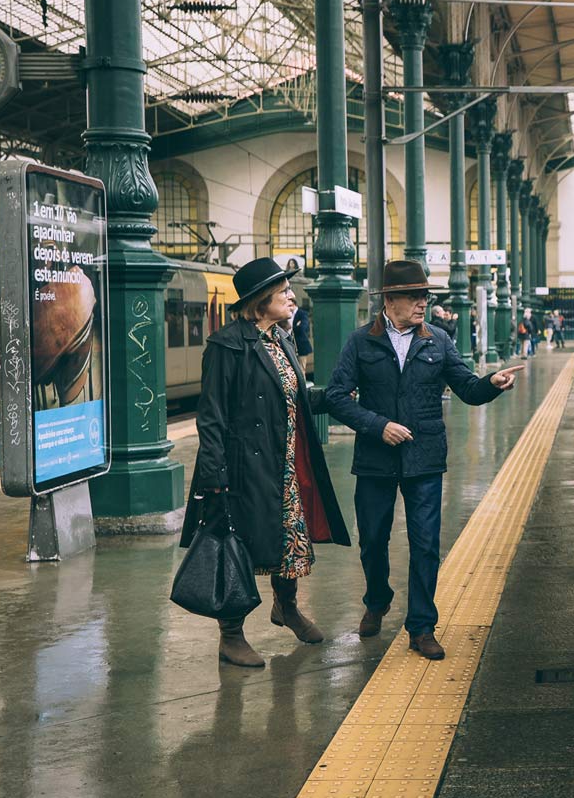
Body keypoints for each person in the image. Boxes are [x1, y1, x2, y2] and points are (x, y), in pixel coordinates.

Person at [325, 260, 521, 660]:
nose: (422, 303)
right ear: (390, 299)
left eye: (425, 296)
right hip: (376, 459)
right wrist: (378, 425)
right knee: (373, 540)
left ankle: (421, 626)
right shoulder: (360, 342)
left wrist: (492, 383)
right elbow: (335, 397)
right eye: (414, 296)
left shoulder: (439, 341)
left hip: (425, 458)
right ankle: (377, 598)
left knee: (426, 544)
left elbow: (467, 388)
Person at [181, 257, 351, 668]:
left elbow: (295, 398)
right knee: (235, 544)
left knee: (290, 540)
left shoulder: (280, 341)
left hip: (286, 463)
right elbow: (213, 416)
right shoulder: (227, 345)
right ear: (261, 302)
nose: (292, 297)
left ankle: (286, 608)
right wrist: (214, 477)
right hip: (242, 469)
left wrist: (338, 395)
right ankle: (231, 634)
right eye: (284, 292)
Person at [292, 300, 314, 376]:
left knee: (301, 369)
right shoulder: (287, 315)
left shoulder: (302, 314)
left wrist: (291, 328)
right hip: (291, 345)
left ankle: (302, 387)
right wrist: (296, 326)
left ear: (294, 304)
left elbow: (302, 328)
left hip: (301, 345)